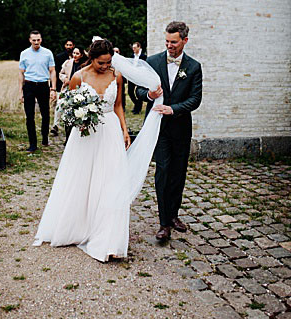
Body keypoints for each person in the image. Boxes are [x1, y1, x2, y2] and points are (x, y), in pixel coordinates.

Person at [33, 39, 134, 261]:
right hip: (86, 134)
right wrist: (79, 121)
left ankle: (107, 234)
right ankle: (79, 225)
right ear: (92, 58)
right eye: (101, 63)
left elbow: (118, 105)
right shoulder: (79, 77)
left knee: (111, 180)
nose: (105, 66)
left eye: (108, 62)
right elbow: (68, 107)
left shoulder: (116, 75)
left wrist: (125, 130)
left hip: (110, 131)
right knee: (82, 179)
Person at [133, 22, 203, 242]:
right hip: (158, 128)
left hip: (181, 128)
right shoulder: (152, 61)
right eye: (167, 42)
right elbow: (138, 90)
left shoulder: (194, 67)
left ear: (184, 41)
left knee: (178, 173)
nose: (170, 46)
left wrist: (174, 109)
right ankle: (164, 224)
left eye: (174, 42)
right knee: (163, 171)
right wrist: (149, 96)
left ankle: (173, 215)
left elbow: (195, 99)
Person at [18, 30, 57, 153]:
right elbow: (21, 73)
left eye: (38, 40)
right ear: (30, 40)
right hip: (29, 86)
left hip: (43, 86)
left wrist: (53, 89)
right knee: (30, 116)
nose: (36, 42)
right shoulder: (24, 54)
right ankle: (32, 144)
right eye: (34, 40)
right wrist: (20, 92)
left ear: (41, 39)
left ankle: (45, 137)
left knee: (45, 113)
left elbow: (52, 71)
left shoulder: (47, 53)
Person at [128, 41, 148, 115]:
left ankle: (137, 109)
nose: (133, 49)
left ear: (139, 47)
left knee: (139, 93)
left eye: (135, 47)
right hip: (132, 76)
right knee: (130, 92)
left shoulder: (144, 57)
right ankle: (137, 104)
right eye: (133, 48)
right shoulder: (131, 56)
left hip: (140, 77)